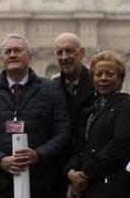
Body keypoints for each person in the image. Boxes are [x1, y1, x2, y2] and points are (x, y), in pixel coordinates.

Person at [0, 33, 71, 198]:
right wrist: (0, 160)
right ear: (2, 58)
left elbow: (63, 131)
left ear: (29, 57)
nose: (12, 55)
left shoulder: (52, 90)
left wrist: (38, 155)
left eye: (17, 50)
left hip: (41, 183)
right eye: (8, 51)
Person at [63, 51, 130, 198]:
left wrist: (85, 174)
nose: (103, 78)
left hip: (113, 186)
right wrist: (71, 171)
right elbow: (80, 146)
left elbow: (118, 145)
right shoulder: (90, 110)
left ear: (120, 79)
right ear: (92, 79)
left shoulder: (126, 105)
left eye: (110, 74)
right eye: (98, 74)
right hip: (89, 187)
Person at [52, 32, 96, 170]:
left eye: (69, 51)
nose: (64, 57)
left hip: (90, 166)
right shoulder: (51, 87)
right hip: (59, 167)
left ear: (82, 53)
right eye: (60, 53)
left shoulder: (99, 85)